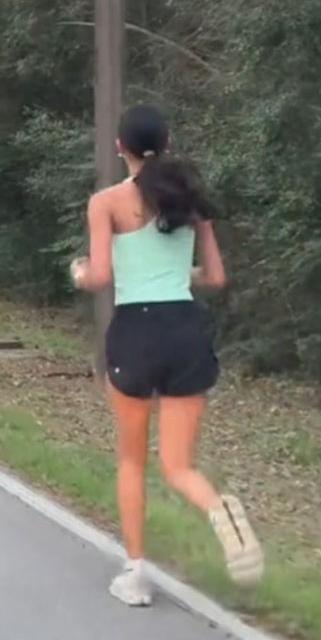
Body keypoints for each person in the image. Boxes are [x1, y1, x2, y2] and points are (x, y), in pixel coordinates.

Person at [71, 104, 264, 606]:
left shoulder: (107, 202)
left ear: (120, 148)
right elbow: (215, 278)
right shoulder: (190, 203)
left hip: (136, 331)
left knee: (132, 460)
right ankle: (220, 509)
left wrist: (77, 273)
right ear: (169, 144)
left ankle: (135, 576)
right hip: (184, 328)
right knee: (179, 466)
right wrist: (182, 275)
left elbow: (101, 276)